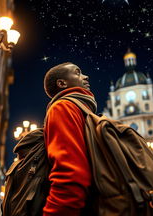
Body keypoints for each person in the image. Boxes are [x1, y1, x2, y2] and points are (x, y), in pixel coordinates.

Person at [43, 62, 97, 216]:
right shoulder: (64, 107)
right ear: (62, 83)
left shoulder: (74, 108)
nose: (86, 76)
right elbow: (69, 175)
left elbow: (71, 173)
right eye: (78, 72)